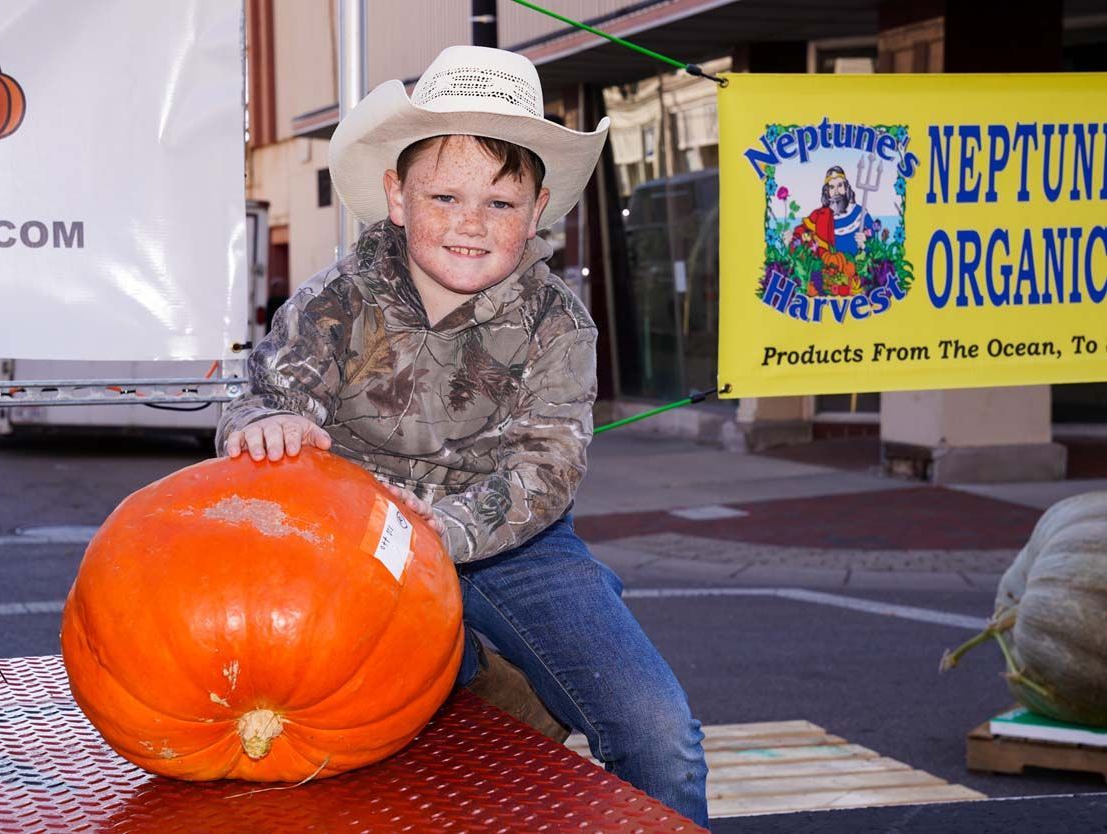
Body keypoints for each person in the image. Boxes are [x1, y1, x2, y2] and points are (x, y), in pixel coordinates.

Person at [216, 45, 709, 827]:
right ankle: (473, 675)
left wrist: (432, 535)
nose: (471, 224)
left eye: (501, 204)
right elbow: (263, 398)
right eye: (444, 196)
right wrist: (264, 423)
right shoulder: (334, 303)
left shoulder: (559, 323)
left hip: (518, 545)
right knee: (367, 756)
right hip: (355, 549)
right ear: (398, 196)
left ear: (537, 210)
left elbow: (546, 468)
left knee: (658, 732)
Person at [800, 165, 874, 256]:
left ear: (846, 187)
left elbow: (875, 237)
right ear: (827, 191)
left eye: (840, 185)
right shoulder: (819, 216)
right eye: (832, 187)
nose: (836, 192)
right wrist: (792, 237)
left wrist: (866, 240)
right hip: (830, 266)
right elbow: (802, 232)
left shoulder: (859, 212)